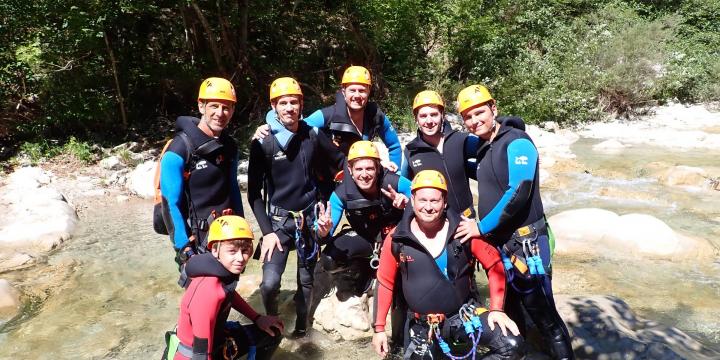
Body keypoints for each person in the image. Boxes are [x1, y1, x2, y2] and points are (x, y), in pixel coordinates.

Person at [454, 85, 574, 359]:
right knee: (511, 313)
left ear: (493, 108)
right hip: (503, 246)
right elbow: (484, 176)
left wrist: (480, 227)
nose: (475, 120)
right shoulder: (485, 149)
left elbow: (519, 191)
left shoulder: (517, 141)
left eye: (479, 112)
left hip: (526, 244)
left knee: (546, 319)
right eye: (468, 117)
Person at [372, 170, 523, 359]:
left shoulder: (463, 231)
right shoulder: (397, 239)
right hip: (421, 325)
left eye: (434, 201)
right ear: (412, 199)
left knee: (511, 345)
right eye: (423, 200)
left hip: (462, 316)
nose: (428, 207)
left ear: (444, 202)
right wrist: (378, 329)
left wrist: (497, 309)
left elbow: (494, 265)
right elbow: (385, 282)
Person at [247, 77, 339, 338]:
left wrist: (329, 202)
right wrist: (267, 232)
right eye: (283, 103)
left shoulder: (311, 134)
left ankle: (301, 329)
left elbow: (339, 163)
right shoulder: (262, 143)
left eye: (294, 102)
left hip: (308, 222)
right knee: (269, 283)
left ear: (301, 104)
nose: (289, 108)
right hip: (277, 225)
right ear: (274, 106)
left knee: (306, 283)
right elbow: (254, 194)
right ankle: (272, 326)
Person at [159, 77, 244, 286]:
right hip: (195, 241)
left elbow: (233, 190)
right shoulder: (179, 150)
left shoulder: (229, 146)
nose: (220, 113)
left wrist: (241, 232)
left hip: (226, 237)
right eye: (214, 106)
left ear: (233, 110)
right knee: (203, 301)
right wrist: (185, 250)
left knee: (226, 294)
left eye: (226, 107)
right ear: (201, 106)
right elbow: (170, 204)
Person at [173, 215, 283, 360]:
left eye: (244, 250)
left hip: (215, 342)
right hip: (197, 354)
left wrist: (257, 318)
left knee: (273, 331)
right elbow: (201, 355)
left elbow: (228, 294)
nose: (240, 258)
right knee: (272, 335)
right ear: (214, 250)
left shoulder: (220, 275)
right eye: (232, 251)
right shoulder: (208, 291)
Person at [255, 65, 403, 172]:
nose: (357, 95)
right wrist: (271, 123)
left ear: (369, 91)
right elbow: (295, 124)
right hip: (328, 177)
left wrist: (395, 172)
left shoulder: (375, 115)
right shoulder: (327, 115)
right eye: (352, 90)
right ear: (343, 92)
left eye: (362, 90)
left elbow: (395, 146)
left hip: (361, 174)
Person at [314, 140, 411, 299]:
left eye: (369, 168)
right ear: (350, 171)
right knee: (329, 260)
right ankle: (362, 269)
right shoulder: (341, 194)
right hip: (366, 237)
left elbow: (427, 202)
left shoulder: (394, 182)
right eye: (358, 169)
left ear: (378, 168)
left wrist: (408, 206)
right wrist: (323, 231)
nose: (364, 174)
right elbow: (322, 234)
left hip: (397, 236)